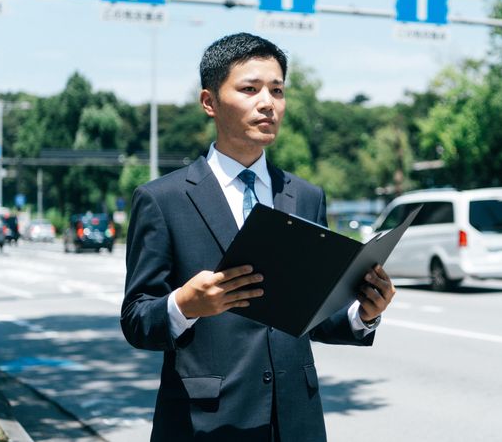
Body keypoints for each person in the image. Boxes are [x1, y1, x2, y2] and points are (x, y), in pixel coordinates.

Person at [121, 32, 396, 441]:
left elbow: (312, 313)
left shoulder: (305, 196)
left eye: (277, 90)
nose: (267, 103)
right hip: (205, 423)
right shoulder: (163, 199)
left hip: (296, 421)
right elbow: (136, 319)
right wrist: (185, 305)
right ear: (209, 102)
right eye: (250, 89)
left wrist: (363, 313)